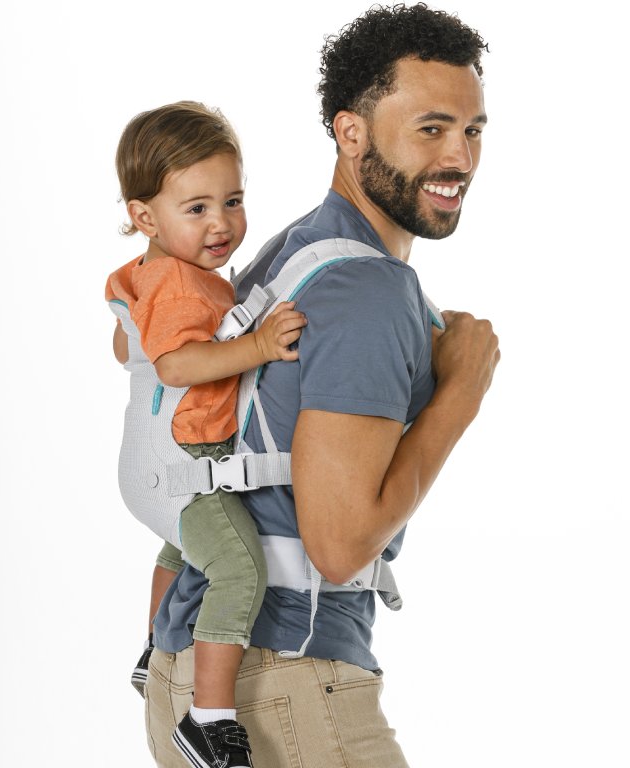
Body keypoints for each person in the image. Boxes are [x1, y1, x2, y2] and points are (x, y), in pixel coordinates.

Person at [143, 5, 502, 766]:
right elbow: (338, 547)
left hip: (191, 675)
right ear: (352, 133)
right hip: (288, 680)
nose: (459, 157)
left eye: (473, 130)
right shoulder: (368, 289)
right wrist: (460, 396)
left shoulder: (293, 252)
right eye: (431, 129)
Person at [106, 101, 307, 768]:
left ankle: (155, 652)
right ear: (145, 216)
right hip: (185, 469)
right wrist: (257, 347)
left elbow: (126, 349)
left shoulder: (149, 275)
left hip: (149, 471)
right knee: (239, 568)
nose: (221, 223)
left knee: (183, 550)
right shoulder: (182, 287)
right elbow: (175, 365)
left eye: (233, 201)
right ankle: (210, 719)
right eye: (197, 208)